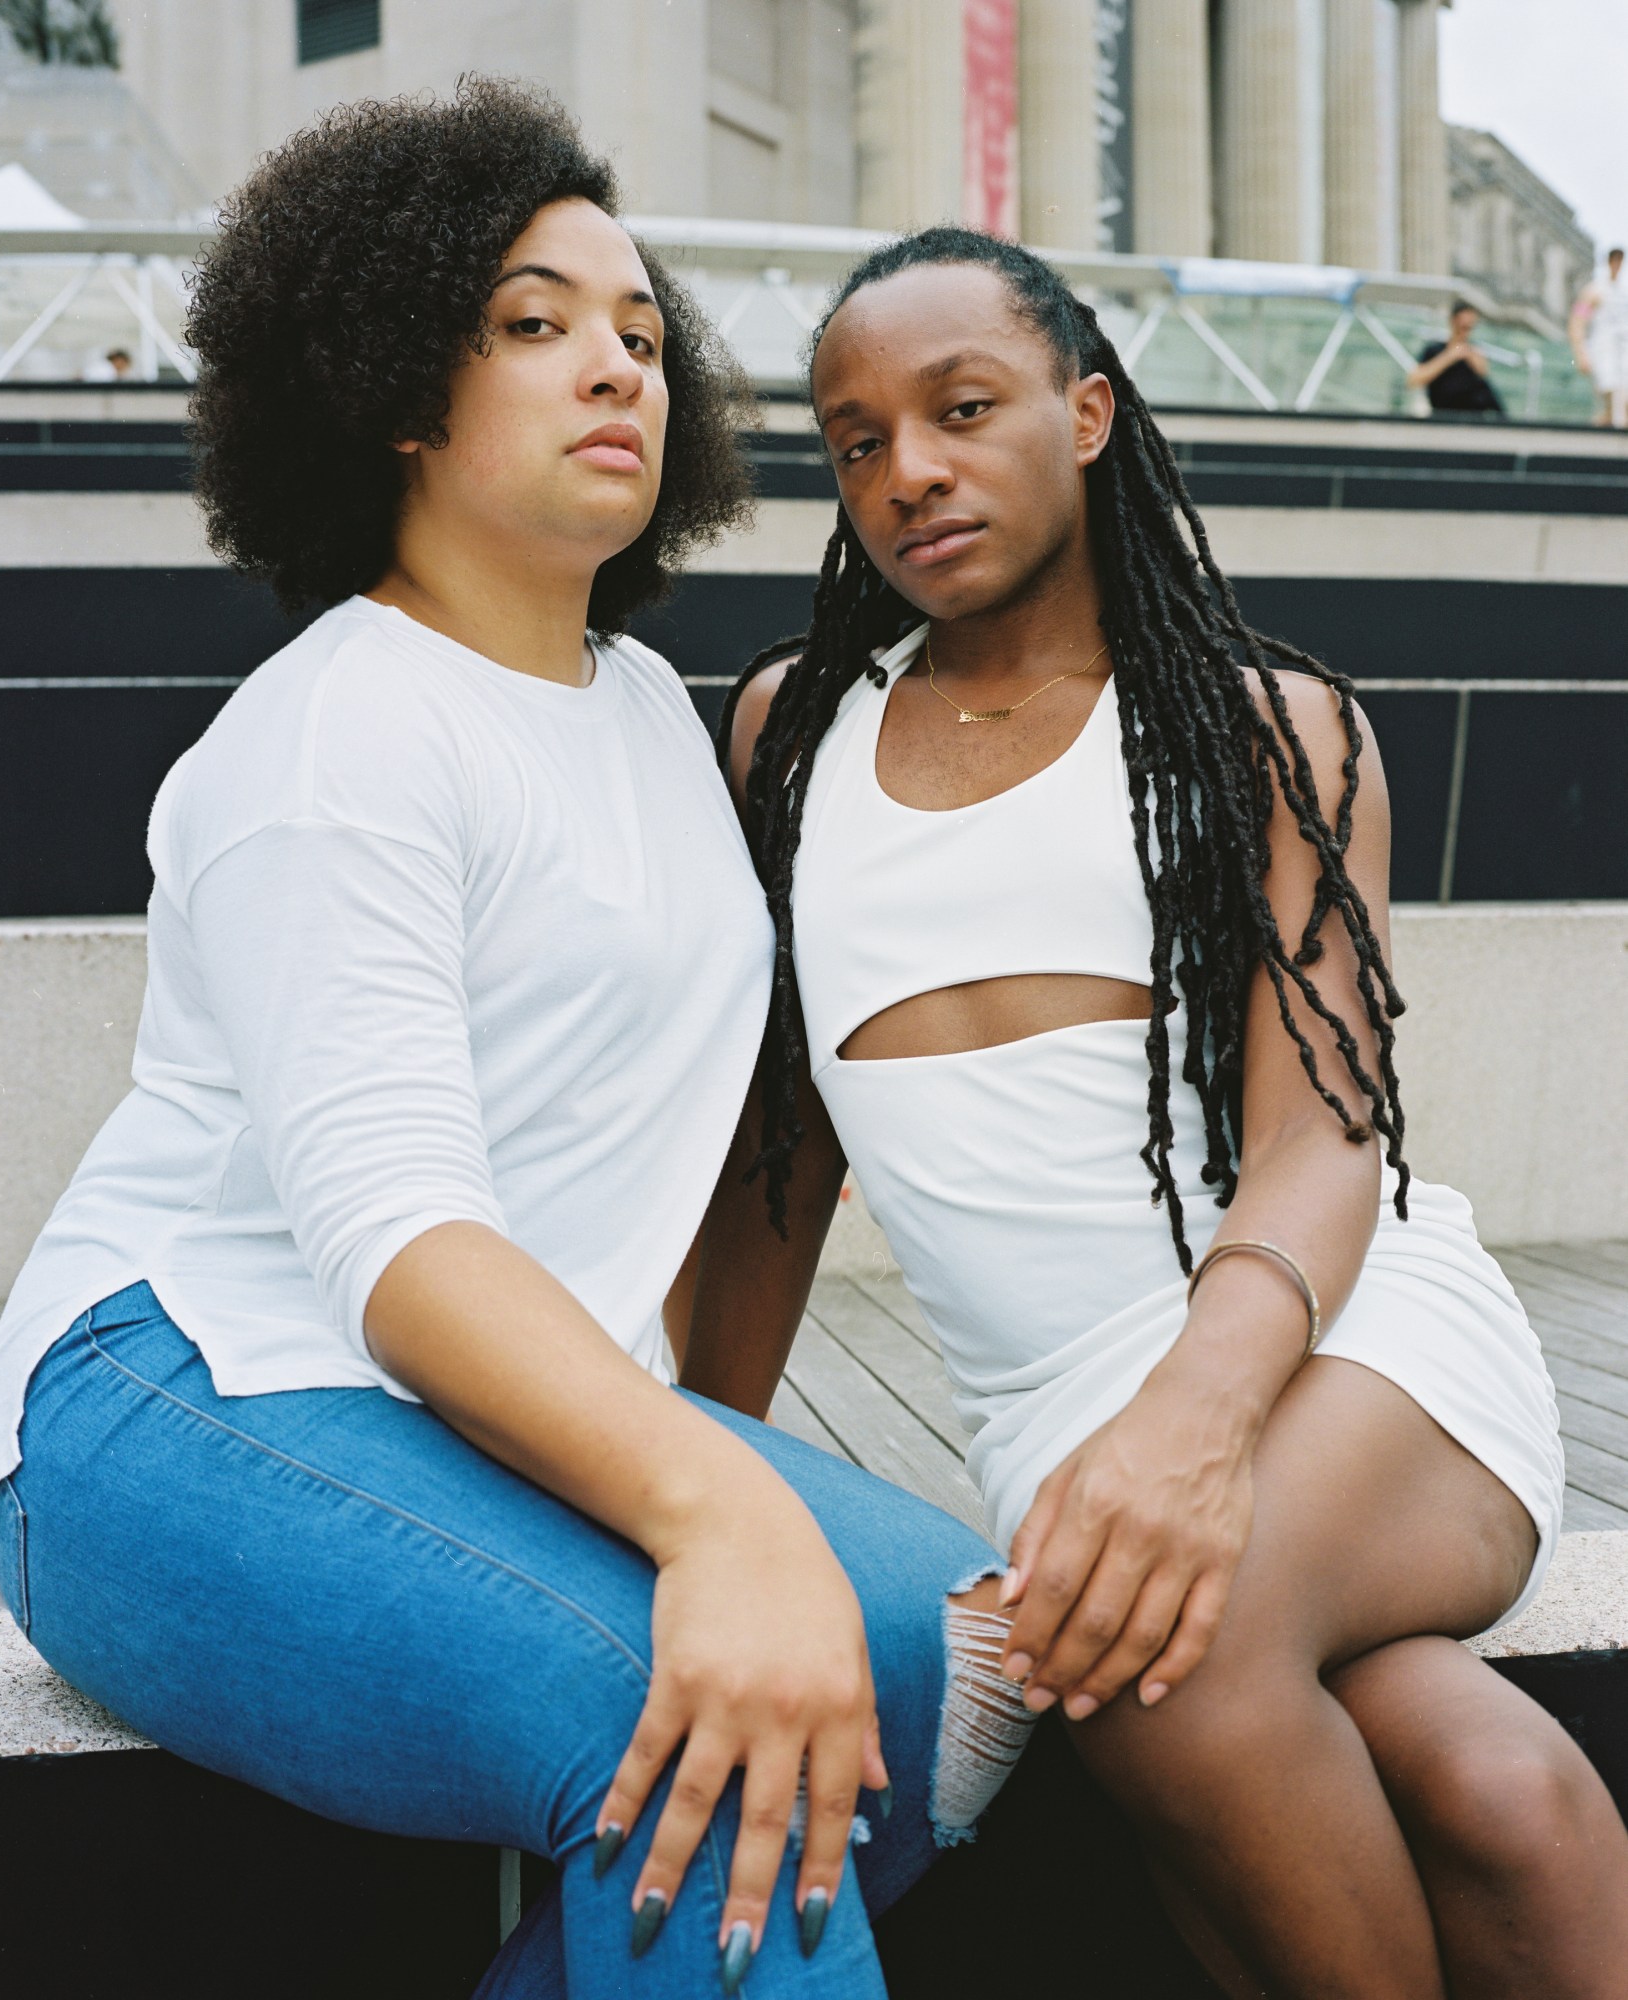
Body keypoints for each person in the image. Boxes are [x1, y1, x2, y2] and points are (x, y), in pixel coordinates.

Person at [0, 91, 1028, 2000]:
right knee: (713, 1745)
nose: (612, 364)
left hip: (442, 1408)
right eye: (532, 323)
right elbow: (397, 1240)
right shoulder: (333, 742)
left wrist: (714, 1456)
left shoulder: (639, 706)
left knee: (957, 1657)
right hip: (176, 1397)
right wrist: (717, 1508)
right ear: (388, 386)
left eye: (639, 330)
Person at [686, 227, 1628, 1997]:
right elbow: (776, 1162)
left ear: (1090, 411)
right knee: (1495, 1790)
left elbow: (1320, 1136)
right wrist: (683, 1475)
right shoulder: (786, 739)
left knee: (1170, 1662)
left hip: (1351, 1349)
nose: (910, 472)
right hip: (1056, 1419)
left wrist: (1197, 1421)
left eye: (963, 409)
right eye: (857, 440)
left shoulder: (1268, 728)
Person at [1406, 299, 1504, 417]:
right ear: (1453, 321)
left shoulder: (1474, 353)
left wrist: (1475, 362)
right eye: (1463, 326)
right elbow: (1414, 379)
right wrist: (1449, 357)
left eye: (1470, 327)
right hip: (1443, 415)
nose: (1465, 331)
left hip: (1473, 417)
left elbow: (1485, 385)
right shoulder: (1435, 350)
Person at [1570, 248, 1628, 429]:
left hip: (1624, 351)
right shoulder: (1595, 291)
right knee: (1613, 404)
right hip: (1605, 352)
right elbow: (1577, 321)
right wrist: (1581, 353)